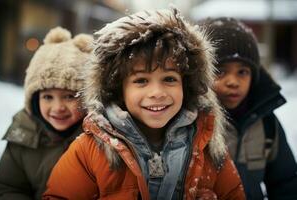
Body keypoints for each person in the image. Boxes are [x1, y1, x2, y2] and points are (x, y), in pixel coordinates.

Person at [43, 8, 245, 200]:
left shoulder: (207, 147)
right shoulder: (90, 150)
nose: (157, 93)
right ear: (118, 89)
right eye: (141, 81)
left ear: (187, 84)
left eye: (169, 79)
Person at [199, 17, 297, 199]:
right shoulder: (192, 122)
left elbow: (286, 181)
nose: (233, 82)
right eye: (220, 71)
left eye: (242, 72)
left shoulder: (265, 122)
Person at [0, 26, 93, 199]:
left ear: (87, 99)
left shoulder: (97, 140)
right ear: (34, 100)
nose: (58, 107)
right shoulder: (24, 134)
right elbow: (7, 187)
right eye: (48, 97)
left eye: (69, 96)